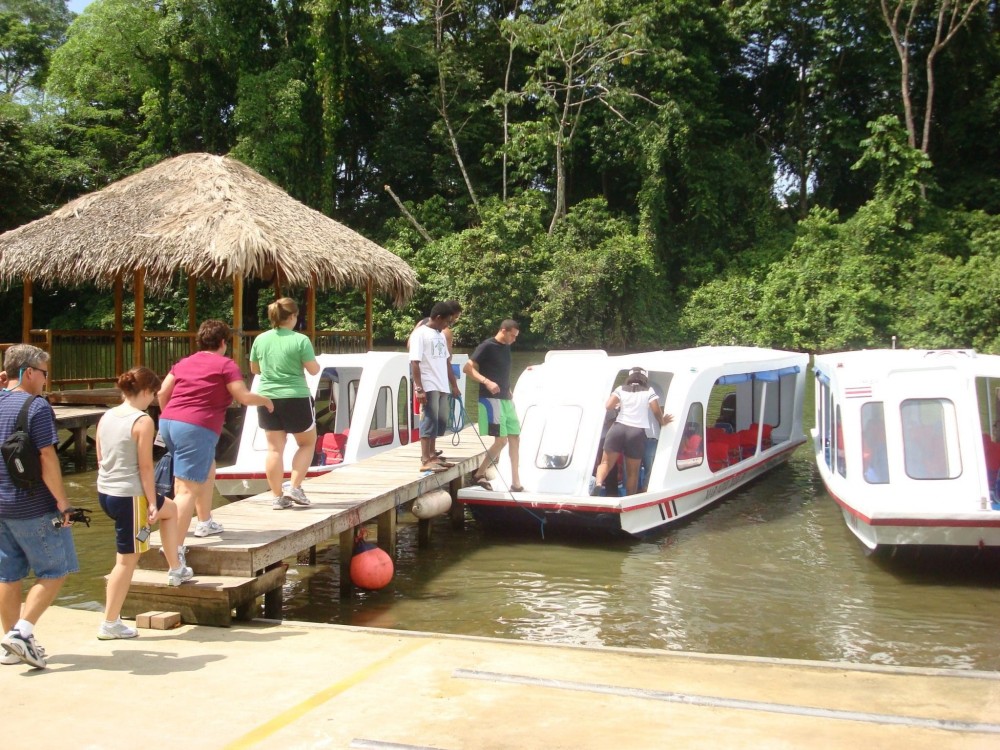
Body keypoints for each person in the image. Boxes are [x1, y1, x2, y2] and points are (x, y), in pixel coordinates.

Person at [158, 320, 273, 560]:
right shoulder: (225, 365)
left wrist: (170, 415)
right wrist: (264, 400)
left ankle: (205, 521)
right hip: (196, 427)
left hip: (168, 422)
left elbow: (161, 393)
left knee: (208, 468)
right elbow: (242, 395)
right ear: (223, 342)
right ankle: (174, 550)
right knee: (186, 489)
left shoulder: (183, 363)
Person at [96, 367, 192, 640]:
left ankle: (176, 568)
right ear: (148, 392)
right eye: (153, 394)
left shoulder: (106, 416)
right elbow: (145, 467)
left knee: (171, 510)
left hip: (106, 492)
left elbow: (101, 458)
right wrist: (151, 502)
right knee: (126, 562)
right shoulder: (143, 421)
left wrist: (156, 503)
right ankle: (110, 622)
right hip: (131, 496)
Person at [0, 345, 77, 669]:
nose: (46, 381)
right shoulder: (37, 407)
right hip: (33, 505)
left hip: (2, 505)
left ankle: (9, 644)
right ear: (28, 372)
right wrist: (63, 502)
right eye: (45, 374)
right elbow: (47, 458)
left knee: (8, 574)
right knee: (56, 570)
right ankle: (22, 632)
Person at [249, 298, 321, 510]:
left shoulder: (260, 340)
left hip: (267, 397)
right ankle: (295, 487)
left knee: (274, 449)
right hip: (296, 396)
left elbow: (255, 369)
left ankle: (278, 496)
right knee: (307, 443)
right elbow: (314, 369)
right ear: (292, 317)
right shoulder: (300, 340)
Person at [593, 367, 673, 496]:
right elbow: (656, 410)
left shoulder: (620, 389)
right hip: (635, 432)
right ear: (644, 378)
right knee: (632, 473)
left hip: (617, 429)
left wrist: (620, 405)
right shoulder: (649, 391)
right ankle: (629, 499)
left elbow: (608, 406)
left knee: (606, 462)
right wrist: (663, 421)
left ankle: (598, 484)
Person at [465, 319, 523, 492]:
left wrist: (509, 388)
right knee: (501, 440)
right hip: (491, 399)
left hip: (506, 398)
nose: (514, 339)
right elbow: (467, 369)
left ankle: (516, 482)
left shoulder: (506, 347)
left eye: (516, 336)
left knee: (515, 438)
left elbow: (501, 371)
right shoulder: (486, 346)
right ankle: (478, 474)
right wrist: (486, 381)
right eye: (512, 335)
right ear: (503, 331)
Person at [409, 301, 461, 472]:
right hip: (428, 383)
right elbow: (415, 362)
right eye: (447, 321)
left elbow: (446, 362)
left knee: (440, 420)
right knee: (429, 419)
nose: (448, 325)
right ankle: (425, 459)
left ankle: (432, 455)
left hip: (442, 384)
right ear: (438, 318)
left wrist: (454, 385)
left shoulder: (439, 334)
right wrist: (419, 388)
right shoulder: (420, 334)